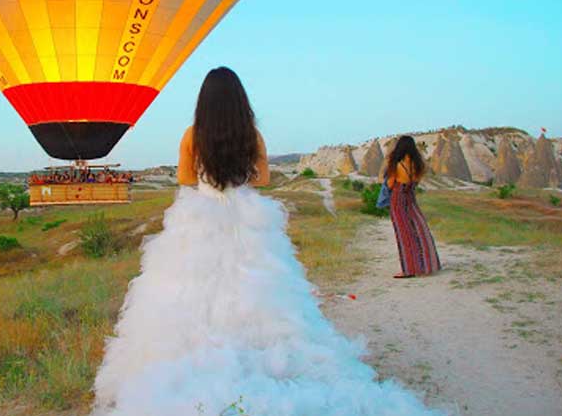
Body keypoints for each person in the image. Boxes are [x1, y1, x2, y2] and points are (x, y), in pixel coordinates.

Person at [91, 67, 441, 416]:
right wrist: (236, 179)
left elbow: (184, 178)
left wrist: (208, 180)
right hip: (246, 216)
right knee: (257, 286)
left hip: (200, 216)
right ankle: (261, 352)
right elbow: (263, 178)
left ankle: (196, 357)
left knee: (190, 289)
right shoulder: (252, 135)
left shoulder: (191, 134)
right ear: (240, 100)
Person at [385, 136, 441, 278]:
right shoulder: (417, 165)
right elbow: (415, 182)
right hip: (411, 197)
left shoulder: (397, 165)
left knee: (403, 234)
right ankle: (425, 265)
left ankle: (408, 270)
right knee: (418, 231)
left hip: (398, 198)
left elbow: (390, 184)